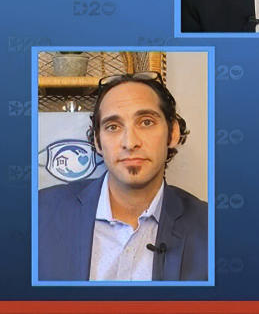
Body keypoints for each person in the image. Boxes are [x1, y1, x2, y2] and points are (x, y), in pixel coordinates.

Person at [38, 72, 208, 281]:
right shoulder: (39, 213)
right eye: (113, 127)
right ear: (98, 142)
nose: (130, 142)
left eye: (146, 122)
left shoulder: (213, 228)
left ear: (172, 133)